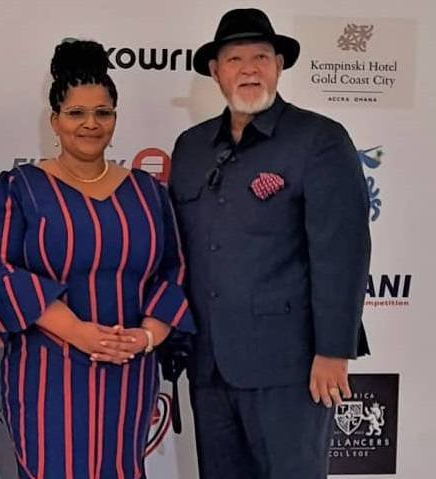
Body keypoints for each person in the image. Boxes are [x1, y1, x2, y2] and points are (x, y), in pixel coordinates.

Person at [0, 39, 195, 479]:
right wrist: (76, 331)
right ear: (54, 120)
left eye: (102, 113)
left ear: (115, 118)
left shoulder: (148, 193)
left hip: (128, 373)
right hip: (47, 371)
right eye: (76, 113)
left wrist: (147, 337)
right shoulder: (22, 186)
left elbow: (174, 269)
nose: (90, 124)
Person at [170, 8, 371, 479]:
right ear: (216, 72)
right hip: (210, 366)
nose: (249, 69)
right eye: (235, 58)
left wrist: (333, 351)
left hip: (292, 369)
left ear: (278, 65)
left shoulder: (319, 139)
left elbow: (343, 252)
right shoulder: (191, 146)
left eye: (261, 56)